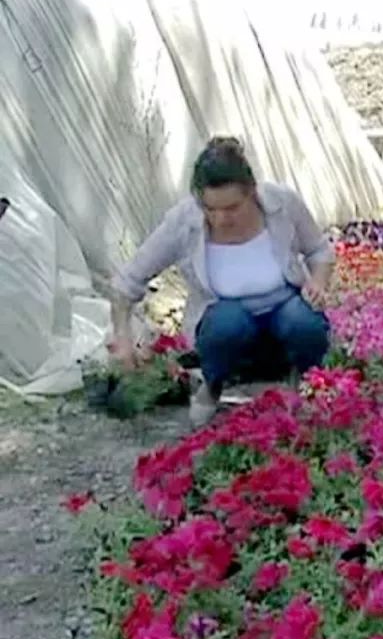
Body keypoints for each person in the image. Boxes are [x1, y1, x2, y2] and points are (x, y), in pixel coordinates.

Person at [111, 136, 334, 427]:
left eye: (232, 208)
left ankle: (303, 382)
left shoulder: (282, 204)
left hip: (283, 310)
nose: (220, 219)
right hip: (226, 322)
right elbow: (129, 280)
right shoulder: (183, 222)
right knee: (227, 322)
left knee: (305, 323)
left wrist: (317, 282)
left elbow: (319, 250)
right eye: (210, 209)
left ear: (252, 192)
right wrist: (123, 338)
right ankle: (213, 384)